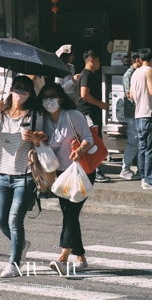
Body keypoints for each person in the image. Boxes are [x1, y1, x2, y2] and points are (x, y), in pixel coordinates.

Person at [0, 74, 43, 278]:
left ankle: (14, 263)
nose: (20, 93)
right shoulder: (1, 113)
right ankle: (22, 244)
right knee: (0, 220)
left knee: (15, 220)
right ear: (10, 90)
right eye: (17, 89)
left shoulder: (34, 115)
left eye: (25, 90)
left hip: (24, 175)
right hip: (2, 174)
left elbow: (43, 141)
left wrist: (34, 138)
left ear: (30, 93)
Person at [37, 82, 94, 275]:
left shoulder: (73, 115)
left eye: (53, 96)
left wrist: (79, 150)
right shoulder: (43, 119)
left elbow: (88, 138)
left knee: (71, 214)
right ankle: (81, 258)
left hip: (80, 172)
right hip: (60, 174)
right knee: (70, 215)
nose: (49, 100)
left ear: (61, 98)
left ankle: (62, 258)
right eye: (45, 97)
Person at [130, 47, 152, 190]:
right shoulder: (149, 70)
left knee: (143, 148)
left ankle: (144, 177)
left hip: (139, 115)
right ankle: (149, 180)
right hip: (149, 114)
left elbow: (131, 95)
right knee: (151, 149)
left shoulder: (135, 73)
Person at [76, 49, 111, 182]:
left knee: (91, 140)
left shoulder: (84, 75)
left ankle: (91, 168)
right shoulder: (86, 75)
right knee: (92, 140)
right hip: (87, 113)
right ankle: (94, 169)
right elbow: (84, 94)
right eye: (98, 61)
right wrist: (99, 104)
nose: (99, 64)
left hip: (88, 112)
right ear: (91, 60)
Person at [119, 51, 142, 180]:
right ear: (137, 60)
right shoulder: (129, 74)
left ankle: (139, 168)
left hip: (137, 111)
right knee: (133, 141)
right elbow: (129, 94)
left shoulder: (137, 73)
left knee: (138, 141)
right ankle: (125, 169)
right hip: (132, 111)